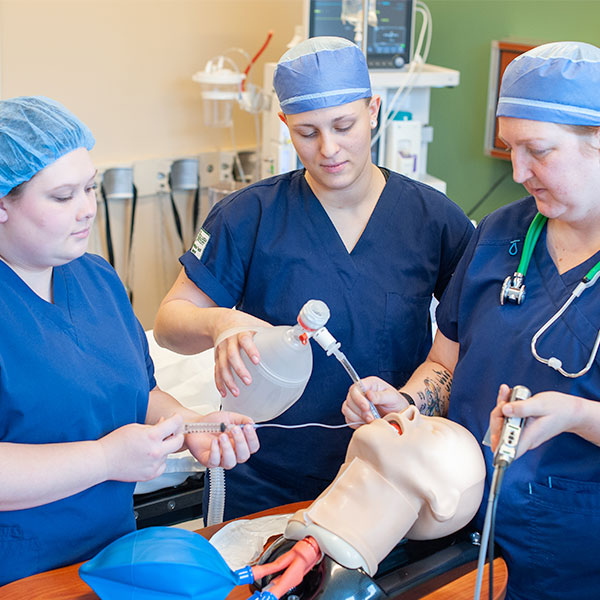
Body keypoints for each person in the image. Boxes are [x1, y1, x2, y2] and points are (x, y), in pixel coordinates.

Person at [153, 36, 473, 520]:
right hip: (266, 481)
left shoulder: (434, 220)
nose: (328, 149)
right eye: (307, 132)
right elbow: (170, 323)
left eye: (344, 125)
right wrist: (221, 324)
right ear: (285, 125)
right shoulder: (249, 216)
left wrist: (408, 402)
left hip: (388, 479)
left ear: (374, 111)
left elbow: (461, 348)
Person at [343, 41, 600, 600]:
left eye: (538, 150)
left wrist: (578, 415)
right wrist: (408, 405)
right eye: (511, 148)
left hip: (573, 560)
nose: (519, 171)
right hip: (454, 535)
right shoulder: (498, 236)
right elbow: (445, 363)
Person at [0, 96, 259, 586]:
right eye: (62, 197)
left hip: (112, 559)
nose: (86, 211)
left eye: (91, 189)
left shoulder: (96, 279)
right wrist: (103, 460)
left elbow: (139, 395)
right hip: (20, 574)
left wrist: (193, 426)